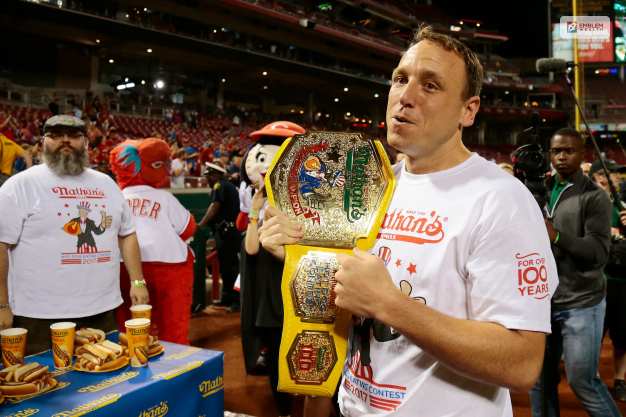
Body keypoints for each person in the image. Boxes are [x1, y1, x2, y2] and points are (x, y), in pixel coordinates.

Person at [259, 25, 557, 417]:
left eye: (431, 86)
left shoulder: (500, 199)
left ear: (469, 110)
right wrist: (302, 255)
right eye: (401, 79)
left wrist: (390, 305)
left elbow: (521, 362)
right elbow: (352, 297)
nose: (406, 97)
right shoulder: (371, 186)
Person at [0, 115, 149, 354]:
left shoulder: (106, 184)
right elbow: (1, 244)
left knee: (106, 381)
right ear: (43, 141)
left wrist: (138, 281)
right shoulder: (20, 185)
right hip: (39, 316)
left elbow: (127, 234)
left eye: (74, 136)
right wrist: (2, 304)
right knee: (43, 384)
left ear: (86, 144)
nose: (65, 141)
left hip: (102, 310)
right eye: (56, 135)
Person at [530, 129, 621, 417]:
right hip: (543, 302)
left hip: (582, 301)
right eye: (556, 151)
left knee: (583, 382)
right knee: (539, 382)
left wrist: (555, 236)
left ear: (583, 155)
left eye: (568, 151)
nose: (561, 156)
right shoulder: (539, 190)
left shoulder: (595, 197)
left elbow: (597, 253)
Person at [110, 138, 196, 345]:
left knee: (127, 326)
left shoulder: (115, 197)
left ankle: (132, 366)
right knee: (172, 325)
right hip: (170, 266)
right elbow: (188, 229)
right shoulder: (164, 198)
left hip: (125, 268)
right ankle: (173, 366)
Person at [589, 159, 626, 403]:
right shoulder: (592, 201)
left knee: (623, 335)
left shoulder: (621, 203)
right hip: (598, 280)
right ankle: (590, 378)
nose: (609, 178)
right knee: (594, 335)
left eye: (612, 174)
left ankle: (620, 379)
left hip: (623, 279)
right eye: (603, 173)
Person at [199, 161, 241, 311]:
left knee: (231, 268)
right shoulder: (226, 186)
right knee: (226, 267)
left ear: (217, 175)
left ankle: (236, 301)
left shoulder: (220, 185)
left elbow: (215, 207)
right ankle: (227, 298)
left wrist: (200, 224)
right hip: (226, 232)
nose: (207, 178)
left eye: (210, 175)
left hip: (228, 233)